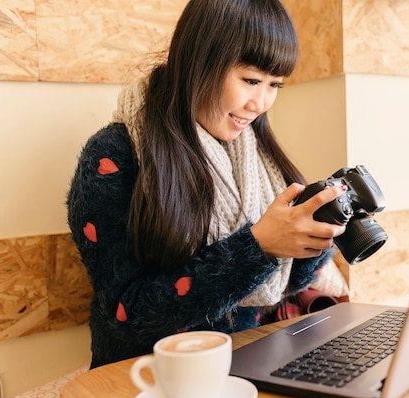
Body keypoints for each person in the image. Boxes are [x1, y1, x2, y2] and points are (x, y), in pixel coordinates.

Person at [67, 0, 348, 368]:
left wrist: (322, 232)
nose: (261, 103)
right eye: (250, 80)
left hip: (246, 363)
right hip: (146, 377)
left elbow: (284, 286)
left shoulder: (256, 156)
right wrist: (258, 248)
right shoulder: (112, 157)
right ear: (199, 62)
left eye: (274, 84)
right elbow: (128, 314)